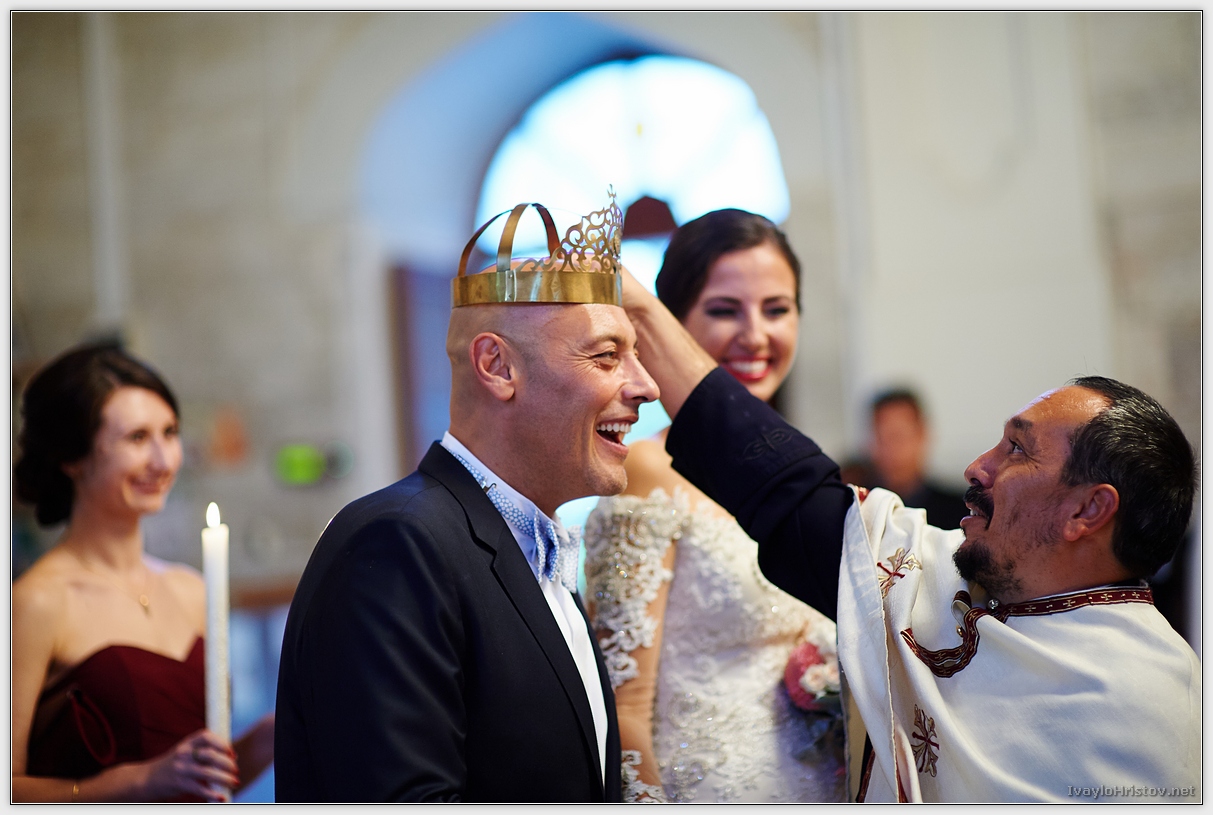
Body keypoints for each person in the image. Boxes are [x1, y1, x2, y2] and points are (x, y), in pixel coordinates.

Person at [618, 271, 1200, 802]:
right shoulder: (939, 573)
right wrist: (638, 307)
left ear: (1088, 510)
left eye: (1017, 450)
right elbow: (788, 491)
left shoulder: (1147, 703)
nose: (977, 467)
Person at [274, 196, 659, 802]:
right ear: (497, 366)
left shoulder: (534, 549)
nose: (646, 386)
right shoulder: (398, 545)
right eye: (607, 355)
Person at [583, 210, 844, 803]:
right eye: (725, 310)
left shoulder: (803, 476)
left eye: (776, 309)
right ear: (669, 325)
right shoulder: (647, 473)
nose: (755, 335)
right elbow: (623, 709)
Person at [12, 343, 275, 803]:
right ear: (72, 458)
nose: (162, 460)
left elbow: (207, 780)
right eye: (136, 438)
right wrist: (132, 784)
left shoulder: (191, 590)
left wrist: (274, 735)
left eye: (169, 433)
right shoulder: (38, 601)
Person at [858, 387, 967, 529]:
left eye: (898, 436)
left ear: (922, 434)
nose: (891, 447)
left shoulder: (960, 514)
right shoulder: (856, 512)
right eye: (881, 437)